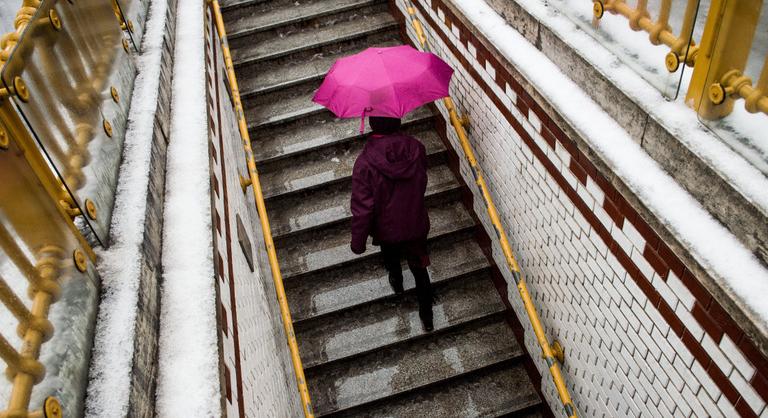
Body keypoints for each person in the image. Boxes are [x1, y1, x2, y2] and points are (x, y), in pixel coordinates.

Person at [349, 116, 434, 331]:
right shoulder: (417, 148)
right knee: (420, 270)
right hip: (415, 224)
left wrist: (358, 243)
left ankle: (397, 284)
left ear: (372, 124)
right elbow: (422, 180)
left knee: (391, 258)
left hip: (387, 229)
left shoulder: (364, 163)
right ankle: (428, 318)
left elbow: (362, 208)